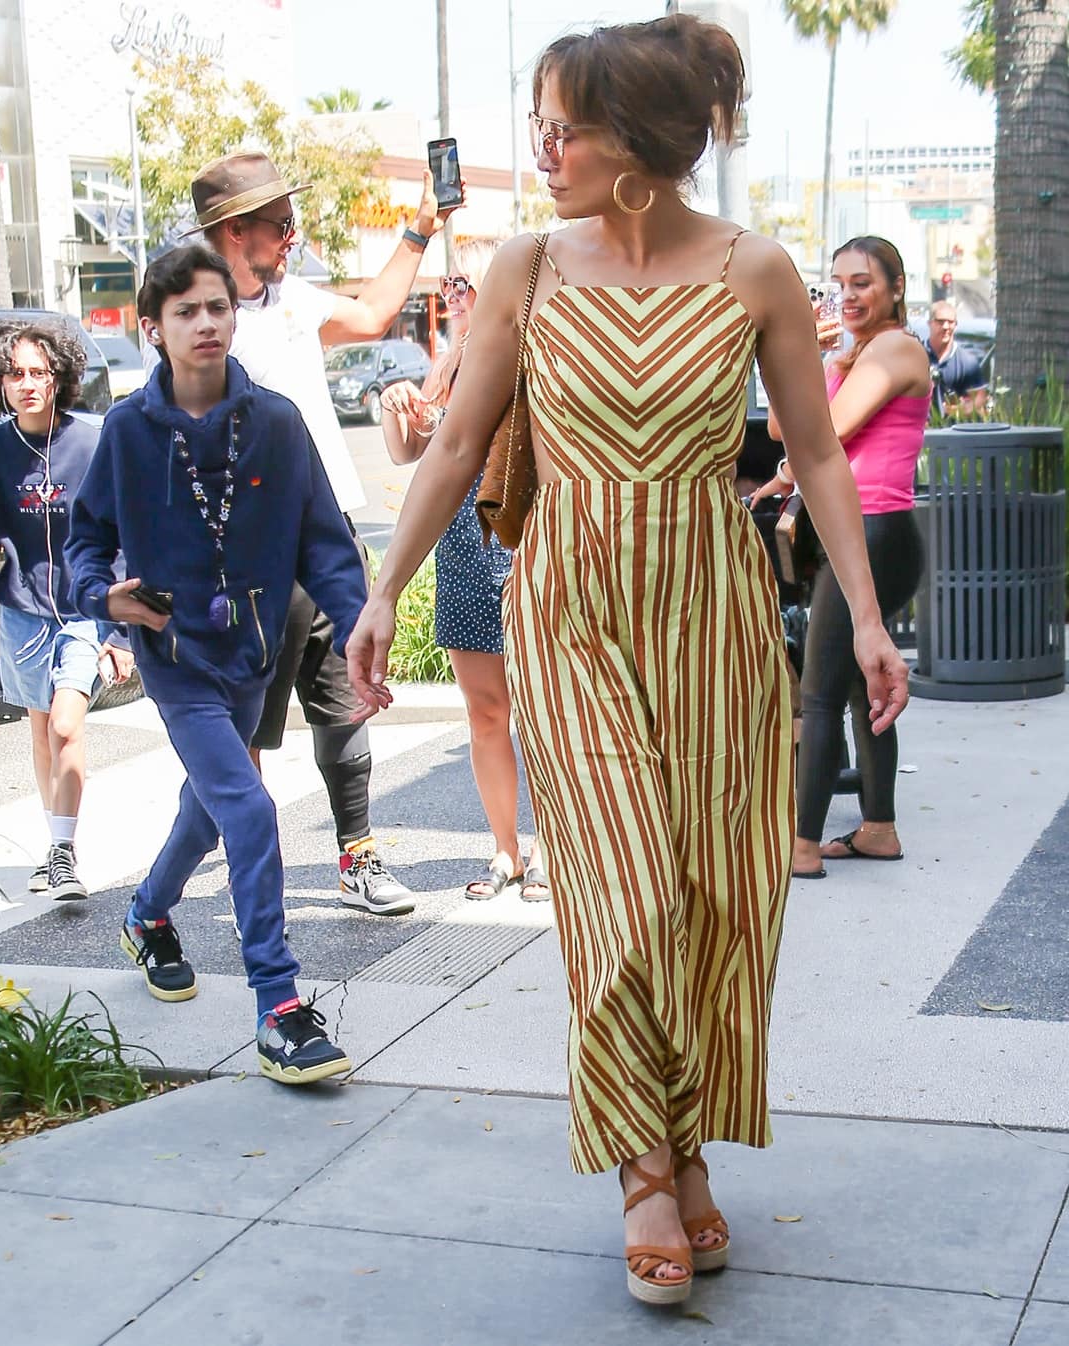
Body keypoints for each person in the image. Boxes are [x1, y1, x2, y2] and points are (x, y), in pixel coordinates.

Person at [343, 14, 909, 1308]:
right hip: (572, 608)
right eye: (540, 120)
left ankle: (689, 1140)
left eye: (568, 124)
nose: (543, 146)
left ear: (646, 143)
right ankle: (643, 1163)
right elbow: (455, 442)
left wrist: (867, 620)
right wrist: (387, 592)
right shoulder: (527, 266)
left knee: (712, 899)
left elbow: (818, 456)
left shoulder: (756, 270)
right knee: (621, 894)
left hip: (713, 602)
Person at [66, 245, 367, 1085]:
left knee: (208, 807)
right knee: (248, 807)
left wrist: (356, 628)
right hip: (175, 655)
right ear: (151, 329)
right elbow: (86, 543)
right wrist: (106, 598)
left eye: (217, 308)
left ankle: (147, 913)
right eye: (186, 312)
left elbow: (325, 545)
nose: (206, 324)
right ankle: (279, 1005)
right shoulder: (126, 431)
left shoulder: (274, 420)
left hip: (256, 652)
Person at [188, 150, 458, 917]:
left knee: (344, 696)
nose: (292, 233)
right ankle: (254, 863)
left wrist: (417, 230)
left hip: (328, 529)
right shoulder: (199, 319)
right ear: (235, 231)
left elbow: (373, 315)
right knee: (247, 719)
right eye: (279, 223)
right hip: (247, 548)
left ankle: (358, 858)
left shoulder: (291, 298)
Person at [0, 320, 132, 901]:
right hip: (21, 613)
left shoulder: (91, 445)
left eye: (39, 372)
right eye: (15, 373)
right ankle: (54, 843)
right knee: (42, 729)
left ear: (60, 378)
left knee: (68, 723)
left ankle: (64, 855)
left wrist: (119, 632)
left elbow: (120, 536)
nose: (27, 384)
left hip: (83, 610)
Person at [755, 237, 930, 880]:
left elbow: (825, 431)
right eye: (838, 283)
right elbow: (782, 427)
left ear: (895, 287)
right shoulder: (851, 355)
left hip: (878, 533)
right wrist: (812, 358)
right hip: (856, 533)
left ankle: (800, 848)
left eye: (862, 283)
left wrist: (807, 355)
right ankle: (878, 828)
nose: (847, 296)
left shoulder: (896, 348)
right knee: (860, 686)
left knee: (819, 693)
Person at [379, 242, 549, 903]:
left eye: (463, 284)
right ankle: (505, 850)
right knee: (486, 714)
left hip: (529, 547)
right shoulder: (448, 366)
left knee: (544, 718)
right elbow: (411, 452)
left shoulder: (534, 356)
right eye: (448, 285)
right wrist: (399, 409)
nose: (453, 295)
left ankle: (550, 855)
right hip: (463, 554)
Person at [924, 300, 988, 415]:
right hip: (919, 428)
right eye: (940, 321)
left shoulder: (967, 362)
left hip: (953, 430)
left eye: (950, 322)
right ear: (929, 323)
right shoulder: (915, 356)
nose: (946, 326)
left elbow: (980, 397)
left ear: (956, 325)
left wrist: (961, 410)